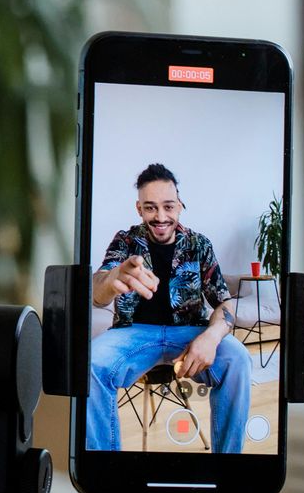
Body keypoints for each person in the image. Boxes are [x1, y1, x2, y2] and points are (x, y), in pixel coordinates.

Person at [85, 163, 250, 453]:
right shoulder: (125, 241)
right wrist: (114, 278)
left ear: (180, 205)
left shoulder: (199, 244)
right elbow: (98, 294)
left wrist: (211, 337)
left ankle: (228, 467)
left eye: (168, 207)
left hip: (190, 333)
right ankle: (106, 468)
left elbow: (224, 302)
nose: (160, 217)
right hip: (133, 334)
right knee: (91, 365)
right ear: (139, 209)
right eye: (150, 208)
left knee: (237, 359)